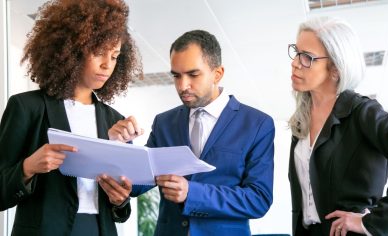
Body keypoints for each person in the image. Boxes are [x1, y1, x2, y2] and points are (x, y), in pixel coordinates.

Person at [109, 29, 275, 235]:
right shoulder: (164, 122)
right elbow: (136, 185)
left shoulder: (257, 124)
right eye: (176, 76)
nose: (182, 85)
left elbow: (258, 200)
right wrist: (120, 144)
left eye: (193, 74)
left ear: (218, 73)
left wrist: (192, 193)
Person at [0, 0, 143, 235]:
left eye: (115, 56)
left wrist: (120, 200)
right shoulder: (27, 107)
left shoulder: (115, 121)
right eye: (98, 52)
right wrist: (28, 167)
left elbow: (120, 206)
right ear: (72, 49)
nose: (107, 65)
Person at [287, 16, 388, 236]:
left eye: (307, 57)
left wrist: (371, 222)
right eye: (296, 51)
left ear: (335, 69)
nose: (295, 62)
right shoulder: (301, 118)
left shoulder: (362, 111)